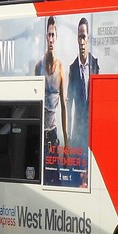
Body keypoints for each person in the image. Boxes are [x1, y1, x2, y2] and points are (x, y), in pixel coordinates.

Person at [34, 16, 68, 152]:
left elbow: (64, 107)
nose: (51, 39)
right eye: (49, 35)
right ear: (46, 37)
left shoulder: (60, 68)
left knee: (54, 172)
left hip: (53, 133)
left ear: (57, 37)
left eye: (53, 35)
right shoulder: (38, 67)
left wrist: (66, 144)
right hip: (40, 132)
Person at [67, 17, 98, 150]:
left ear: (88, 38)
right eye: (79, 37)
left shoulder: (95, 65)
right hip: (77, 134)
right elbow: (68, 105)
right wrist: (68, 133)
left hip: (93, 132)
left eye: (84, 37)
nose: (81, 42)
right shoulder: (72, 69)